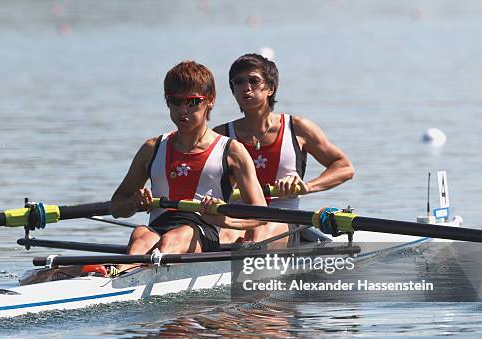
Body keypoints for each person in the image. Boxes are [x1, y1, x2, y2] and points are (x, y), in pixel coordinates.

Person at [109, 60, 267, 267]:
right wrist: (133, 202)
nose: (183, 109)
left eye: (192, 101)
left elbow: (260, 214)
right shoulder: (152, 148)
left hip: (202, 230)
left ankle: (132, 276)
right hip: (158, 227)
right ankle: (119, 275)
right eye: (175, 101)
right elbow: (116, 206)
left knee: (175, 237)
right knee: (140, 235)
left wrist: (224, 221)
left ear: (210, 100)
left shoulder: (232, 151)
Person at [214, 53, 354, 243]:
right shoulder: (221, 135)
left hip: (284, 219)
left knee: (258, 233)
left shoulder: (297, 128)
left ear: (270, 88)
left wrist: (306, 187)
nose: (246, 87)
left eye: (254, 81)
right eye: (238, 82)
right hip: (237, 220)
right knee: (223, 236)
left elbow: (344, 167)